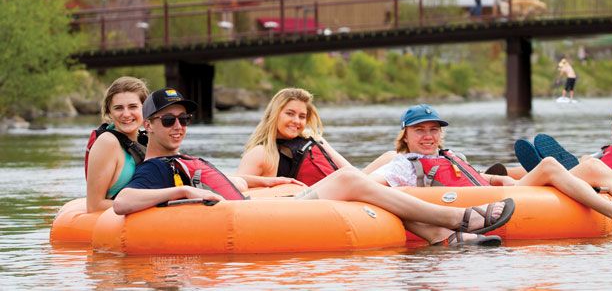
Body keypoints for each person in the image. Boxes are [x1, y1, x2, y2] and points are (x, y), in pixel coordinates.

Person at [114, 87, 517, 248]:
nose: (179, 127)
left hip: (261, 204)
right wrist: (182, 192)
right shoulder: (157, 168)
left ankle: (446, 238)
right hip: (259, 218)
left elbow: (231, 179)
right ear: (148, 125)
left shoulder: (184, 160)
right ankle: (458, 219)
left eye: (184, 119)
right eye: (169, 120)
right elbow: (123, 202)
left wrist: (259, 181)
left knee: (357, 180)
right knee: (348, 178)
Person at [366, 104, 612, 237]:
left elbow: (483, 179)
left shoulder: (452, 154)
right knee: (552, 164)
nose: (428, 137)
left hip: (498, 192)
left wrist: (502, 177)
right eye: (420, 131)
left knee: (591, 166)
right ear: (406, 136)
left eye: (433, 130)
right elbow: (375, 187)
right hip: (486, 206)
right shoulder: (402, 165)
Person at [85, 77, 149, 213]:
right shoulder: (107, 142)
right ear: (109, 112)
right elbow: (94, 206)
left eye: (133, 107)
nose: (126, 114)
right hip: (116, 225)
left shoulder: (147, 141)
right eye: (118, 108)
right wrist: (152, 205)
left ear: (145, 109)